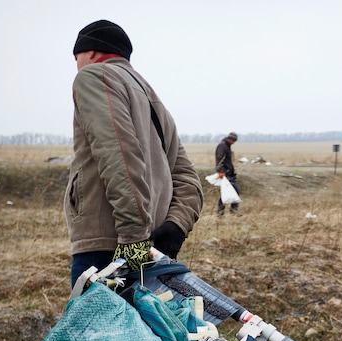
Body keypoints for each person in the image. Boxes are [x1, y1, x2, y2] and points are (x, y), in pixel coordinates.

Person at [66, 20, 203, 288]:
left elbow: (118, 155)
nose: (77, 64)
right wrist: (174, 228)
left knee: (97, 330)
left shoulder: (94, 76)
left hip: (111, 248)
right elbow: (188, 179)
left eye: (76, 57)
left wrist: (132, 239)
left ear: (90, 52)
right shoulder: (152, 99)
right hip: (149, 251)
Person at [215, 132, 240, 215]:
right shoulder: (222, 146)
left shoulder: (226, 146)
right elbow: (220, 159)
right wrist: (221, 171)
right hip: (225, 173)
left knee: (226, 192)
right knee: (235, 191)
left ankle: (221, 211)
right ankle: (232, 210)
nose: (234, 143)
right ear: (229, 139)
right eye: (233, 141)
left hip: (228, 173)